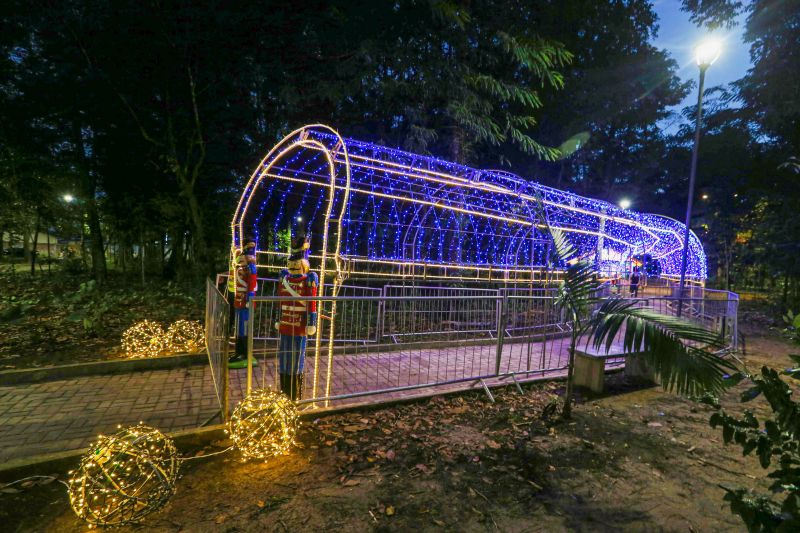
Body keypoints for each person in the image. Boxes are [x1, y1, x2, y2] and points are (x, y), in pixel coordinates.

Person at [275, 231, 317, 400]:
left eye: (296, 264)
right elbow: (280, 300)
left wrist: (311, 322)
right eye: (290, 264)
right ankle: (285, 391)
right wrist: (278, 319)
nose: (292, 267)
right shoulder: (285, 277)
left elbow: (311, 302)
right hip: (285, 323)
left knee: (296, 359)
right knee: (284, 357)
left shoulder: (308, 279)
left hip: (299, 325)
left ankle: (294, 394)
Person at [228, 251, 257, 369]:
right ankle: (239, 351)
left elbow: (251, 286)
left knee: (244, 329)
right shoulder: (240, 270)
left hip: (245, 304)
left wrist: (250, 300)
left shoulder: (250, 271)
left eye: (242, 259)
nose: (239, 261)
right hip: (239, 302)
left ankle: (245, 353)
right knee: (238, 328)